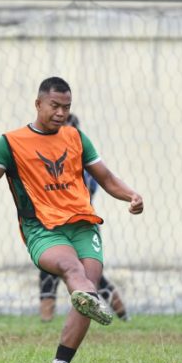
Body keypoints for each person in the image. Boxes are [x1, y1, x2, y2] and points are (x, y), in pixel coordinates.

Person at [0, 77, 143, 363]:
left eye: (66, 107)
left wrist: (132, 195)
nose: (61, 113)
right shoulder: (10, 143)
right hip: (43, 229)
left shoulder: (76, 138)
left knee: (87, 285)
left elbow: (108, 178)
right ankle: (93, 301)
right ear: (38, 104)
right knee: (74, 271)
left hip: (83, 224)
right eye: (55, 106)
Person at [39, 113, 129, 323]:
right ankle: (45, 324)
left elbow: (97, 184)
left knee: (91, 277)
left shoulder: (84, 159)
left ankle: (123, 317)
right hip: (52, 226)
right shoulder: (46, 158)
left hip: (80, 227)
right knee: (47, 272)